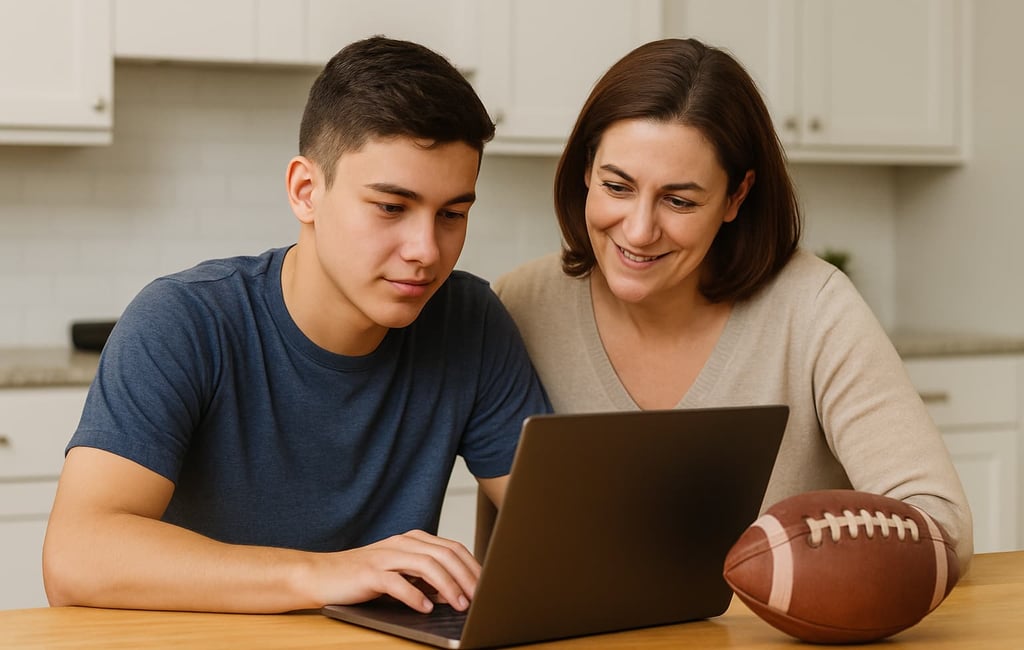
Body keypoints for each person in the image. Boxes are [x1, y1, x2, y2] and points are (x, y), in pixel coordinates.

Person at [42, 36, 550, 614]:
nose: (426, 250)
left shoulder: (470, 320)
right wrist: (327, 574)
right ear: (306, 191)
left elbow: (561, 530)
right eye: (391, 207)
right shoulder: (183, 320)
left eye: (453, 214)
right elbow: (76, 557)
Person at [491, 38, 973, 573]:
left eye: (680, 201)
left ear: (736, 197)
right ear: (586, 170)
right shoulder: (520, 305)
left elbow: (939, 526)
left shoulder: (811, 308)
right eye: (617, 186)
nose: (640, 229)